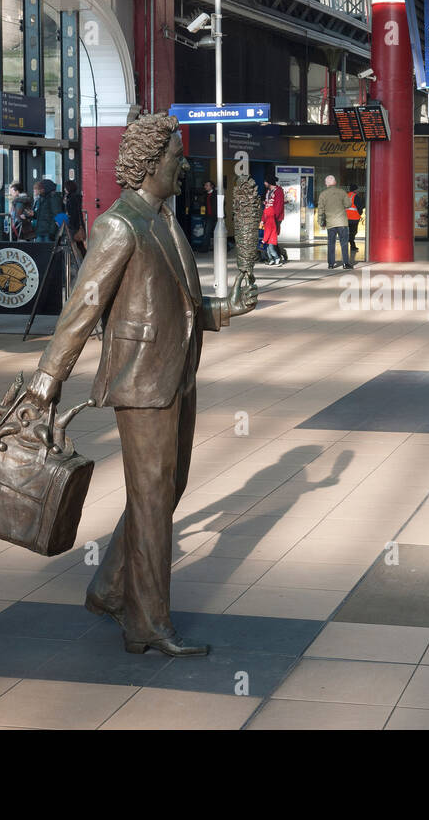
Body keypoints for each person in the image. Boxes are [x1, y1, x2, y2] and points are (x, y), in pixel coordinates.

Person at [24, 114, 258, 657]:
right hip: (142, 383)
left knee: (165, 491)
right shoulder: (119, 225)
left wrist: (223, 309)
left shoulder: (163, 220)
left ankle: (108, 589)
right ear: (151, 163)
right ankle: (147, 624)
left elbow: (177, 305)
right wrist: (47, 377)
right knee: (152, 500)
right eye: (176, 157)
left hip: (177, 376)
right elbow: (83, 307)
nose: (183, 165)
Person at [316, 174, 352, 269]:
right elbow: (348, 204)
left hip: (330, 223)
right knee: (344, 243)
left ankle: (331, 264)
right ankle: (345, 263)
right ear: (335, 183)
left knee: (331, 243)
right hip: (342, 222)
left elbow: (320, 209)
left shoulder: (323, 194)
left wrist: (320, 222)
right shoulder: (342, 192)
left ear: (326, 184)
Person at [262, 176, 286, 266]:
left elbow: (279, 206)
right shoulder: (269, 192)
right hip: (269, 217)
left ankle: (277, 257)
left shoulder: (278, 191)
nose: (264, 183)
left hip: (275, 218)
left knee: (272, 238)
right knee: (271, 238)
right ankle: (274, 257)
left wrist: (273, 217)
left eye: (265, 182)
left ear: (269, 182)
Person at [63, 179, 85, 258]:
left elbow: (72, 213)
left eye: (65, 188)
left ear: (68, 188)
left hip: (72, 225)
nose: (64, 189)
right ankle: (84, 258)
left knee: (71, 243)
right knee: (79, 244)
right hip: (78, 224)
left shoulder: (71, 199)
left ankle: (73, 261)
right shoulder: (77, 197)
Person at [346, 184, 364, 255]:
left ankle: (351, 244)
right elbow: (360, 206)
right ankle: (352, 246)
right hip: (354, 218)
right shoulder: (355, 196)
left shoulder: (346, 196)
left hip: (346, 218)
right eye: (357, 189)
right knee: (353, 232)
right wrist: (360, 213)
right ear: (355, 190)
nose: (358, 191)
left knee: (349, 232)